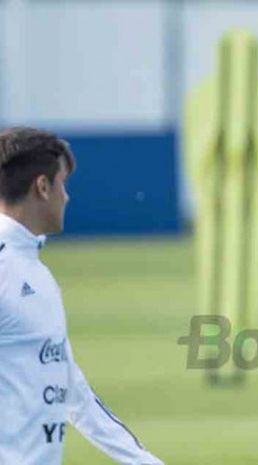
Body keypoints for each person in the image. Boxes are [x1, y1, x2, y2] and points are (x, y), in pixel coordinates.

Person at [0, 128, 163, 464]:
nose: (67, 197)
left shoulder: (37, 274)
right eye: (63, 184)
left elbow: (78, 397)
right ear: (42, 187)